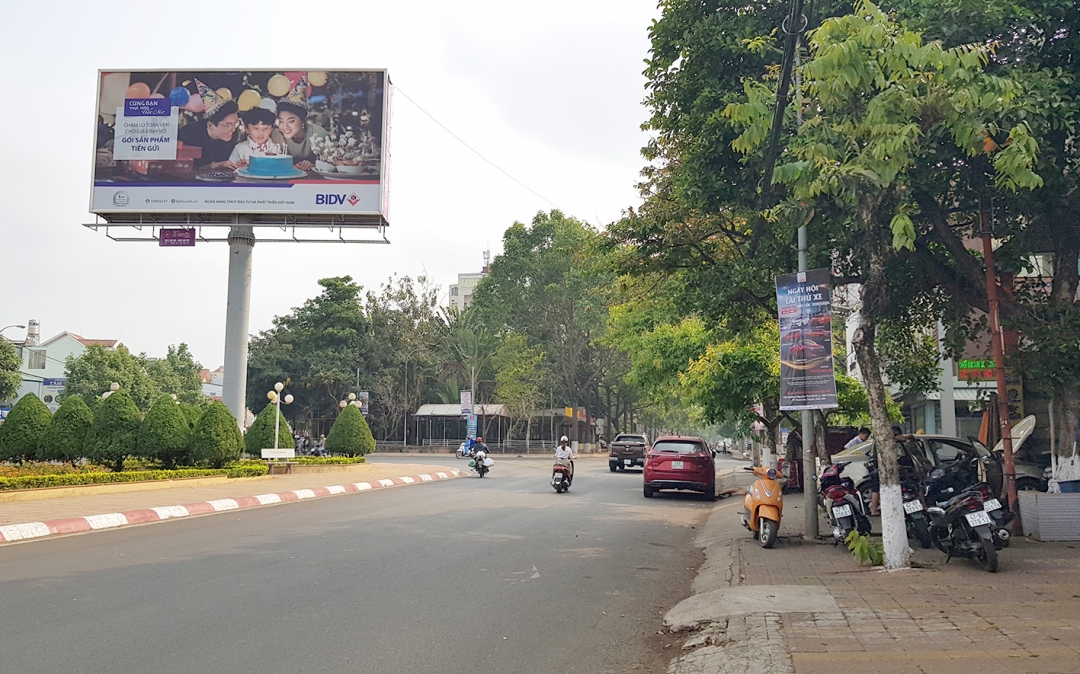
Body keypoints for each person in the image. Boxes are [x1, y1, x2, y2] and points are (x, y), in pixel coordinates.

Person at [177, 79, 240, 170]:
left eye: (236, 123)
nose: (233, 129)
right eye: (228, 125)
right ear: (210, 125)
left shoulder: (233, 134)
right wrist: (216, 165)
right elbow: (186, 169)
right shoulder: (188, 134)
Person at [272, 77, 329, 170]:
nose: (285, 127)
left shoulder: (319, 134)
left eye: (291, 121)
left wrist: (313, 165)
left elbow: (331, 163)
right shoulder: (277, 134)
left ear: (303, 120)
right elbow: (276, 162)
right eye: (281, 121)